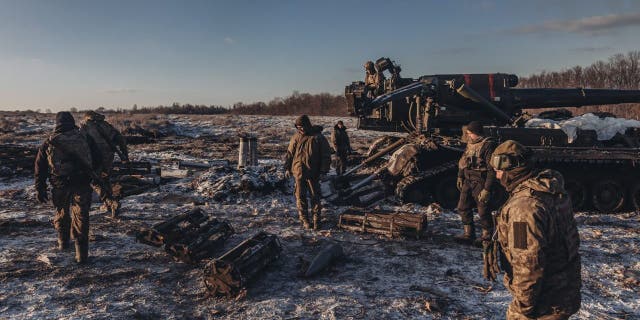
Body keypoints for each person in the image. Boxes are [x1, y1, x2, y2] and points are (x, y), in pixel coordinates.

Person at [490, 140, 581, 320]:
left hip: (545, 302)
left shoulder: (524, 208)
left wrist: (521, 309)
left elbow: (529, 266)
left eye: (499, 170)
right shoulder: (549, 188)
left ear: (512, 169)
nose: (497, 175)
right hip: (563, 290)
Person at [34, 112, 100, 264]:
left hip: (59, 184)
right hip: (82, 183)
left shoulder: (49, 142)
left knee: (62, 213)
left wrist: (40, 188)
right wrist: (92, 175)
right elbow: (97, 159)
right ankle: (81, 255)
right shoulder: (85, 138)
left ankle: (63, 243)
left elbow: (40, 167)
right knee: (81, 216)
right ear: (72, 122)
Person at [284, 115, 331, 230]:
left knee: (315, 197)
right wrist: (287, 168)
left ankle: (316, 221)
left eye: (303, 126)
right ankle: (305, 220)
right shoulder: (295, 137)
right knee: (300, 197)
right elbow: (289, 154)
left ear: (308, 125)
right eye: (299, 127)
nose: (302, 129)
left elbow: (326, 156)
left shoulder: (318, 138)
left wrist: (323, 171)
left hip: (313, 173)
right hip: (298, 172)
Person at [455, 121, 497, 243]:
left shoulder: (487, 145)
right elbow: (464, 161)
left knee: (483, 210)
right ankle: (469, 234)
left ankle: (486, 235)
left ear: (476, 133)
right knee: (462, 207)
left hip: (480, 180)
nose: (468, 136)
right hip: (468, 179)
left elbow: (491, 169)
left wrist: (487, 189)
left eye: (470, 133)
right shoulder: (470, 143)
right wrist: (460, 176)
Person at [80, 110, 128, 217]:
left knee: (94, 181)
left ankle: (110, 202)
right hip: (108, 157)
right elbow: (120, 139)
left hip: (94, 158)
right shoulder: (106, 125)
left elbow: (81, 142)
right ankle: (109, 205)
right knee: (105, 178)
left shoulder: (85, 126)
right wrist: (125, 155)